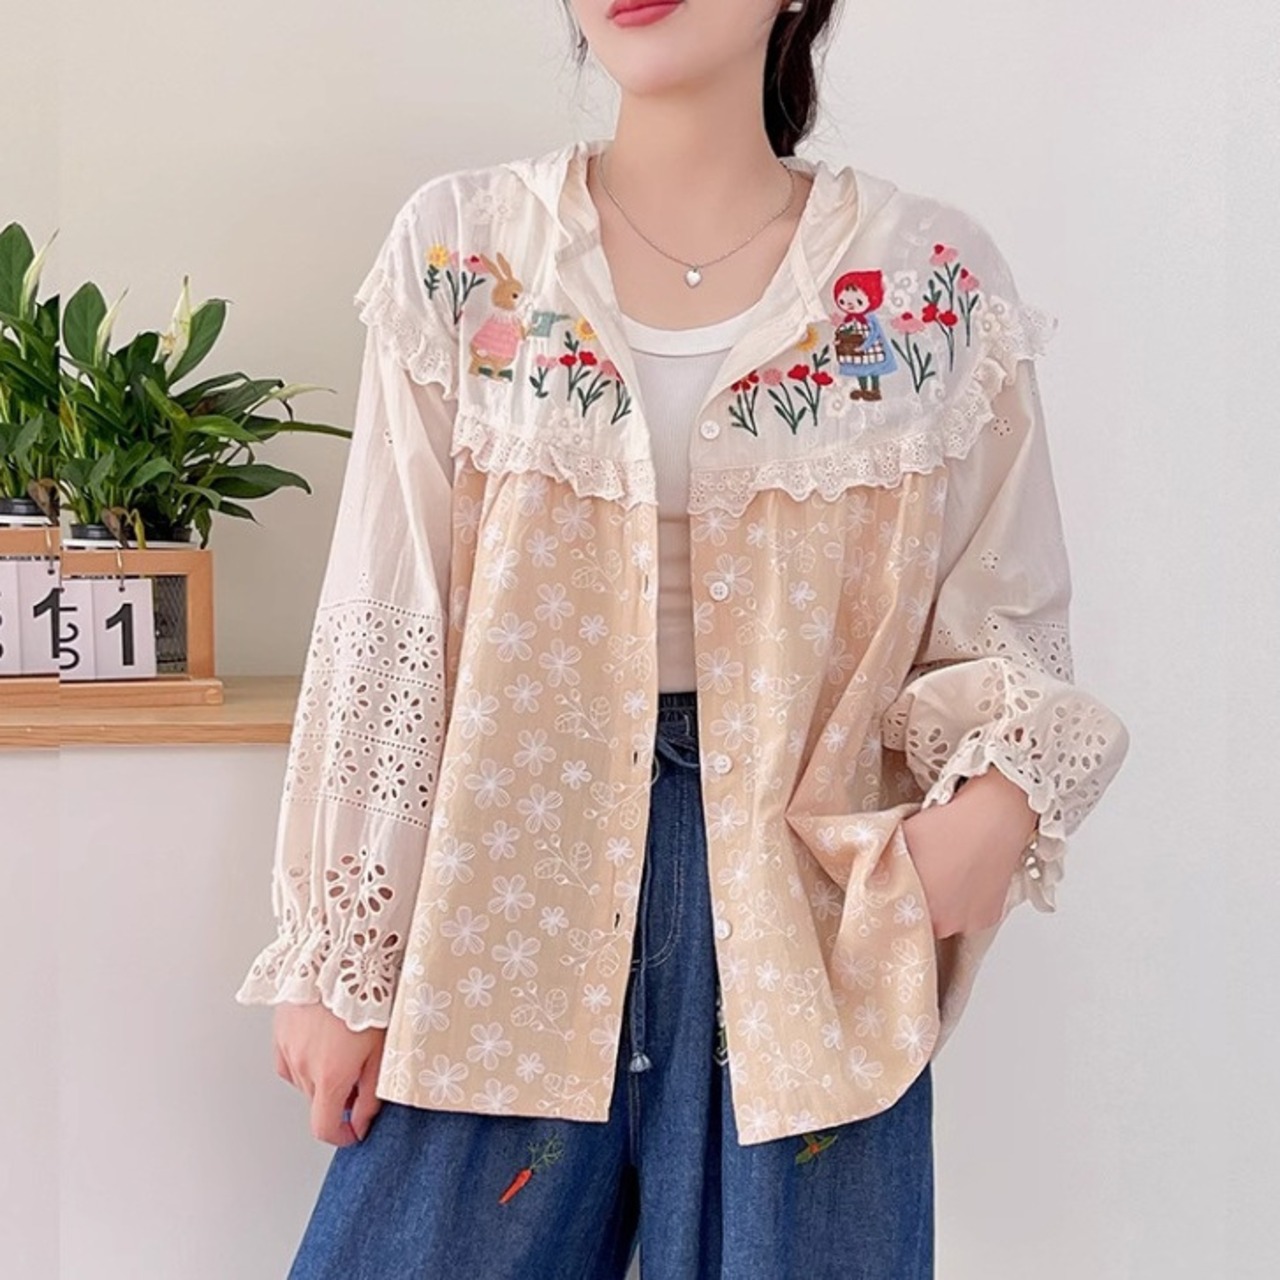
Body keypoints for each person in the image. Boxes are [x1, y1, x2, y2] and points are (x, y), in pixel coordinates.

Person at [234, 2, 1132, 1275]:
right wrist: (342, 956)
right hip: (503, 896)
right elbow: (386, 617)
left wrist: (992, 808)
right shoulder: (467, 252)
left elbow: (1009, 618)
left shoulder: (927, 286)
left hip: (806, 919)